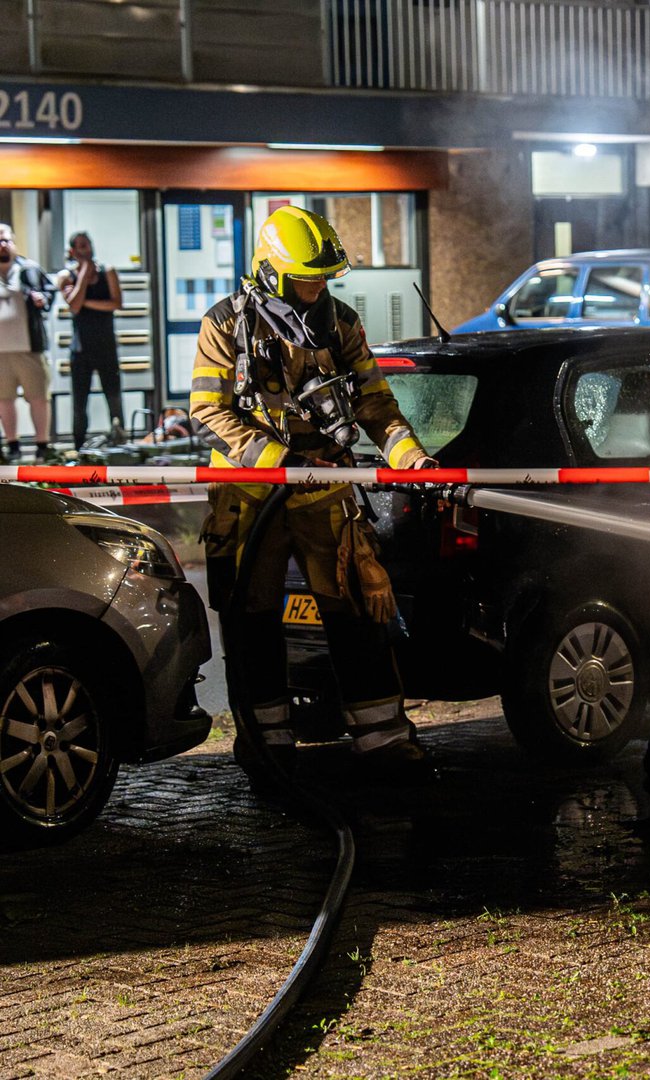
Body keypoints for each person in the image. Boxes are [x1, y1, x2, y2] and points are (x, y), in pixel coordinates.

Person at [190, 206, 438, 781]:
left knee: (355, 607)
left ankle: (381, 738)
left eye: (325, 276)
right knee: (251, 620)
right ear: (273, 272)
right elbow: (210, 410)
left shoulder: (340, 324)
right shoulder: (225, 324)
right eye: (307, 276)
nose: (317, 287)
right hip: (250, 493)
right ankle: (265, 744)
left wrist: (411, 457)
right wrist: (285, 462)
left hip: (324, 489)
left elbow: (376, 403)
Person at [58, 231, 126, 448]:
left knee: (114, 398)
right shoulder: (66, 276)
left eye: (86, 245)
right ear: (72, 251)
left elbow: (115, 303)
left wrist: (84, 301)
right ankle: (78, 447)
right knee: (80, 402)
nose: (84, 250)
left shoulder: (108, 272)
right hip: (80, 350)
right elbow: (74, 305)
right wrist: (84, 277)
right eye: (79, 246)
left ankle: (119, 442)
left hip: (105, 346)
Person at [0, 223, 58, 461]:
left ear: (13, 242)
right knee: (4, 399)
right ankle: (12, 444)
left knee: (38, 397)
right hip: (2, 351)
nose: (2, 245)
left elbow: (50, 292)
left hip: (29, 347)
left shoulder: (30, 269)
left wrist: (42, 299)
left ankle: (42, 445)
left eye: (5, 240)